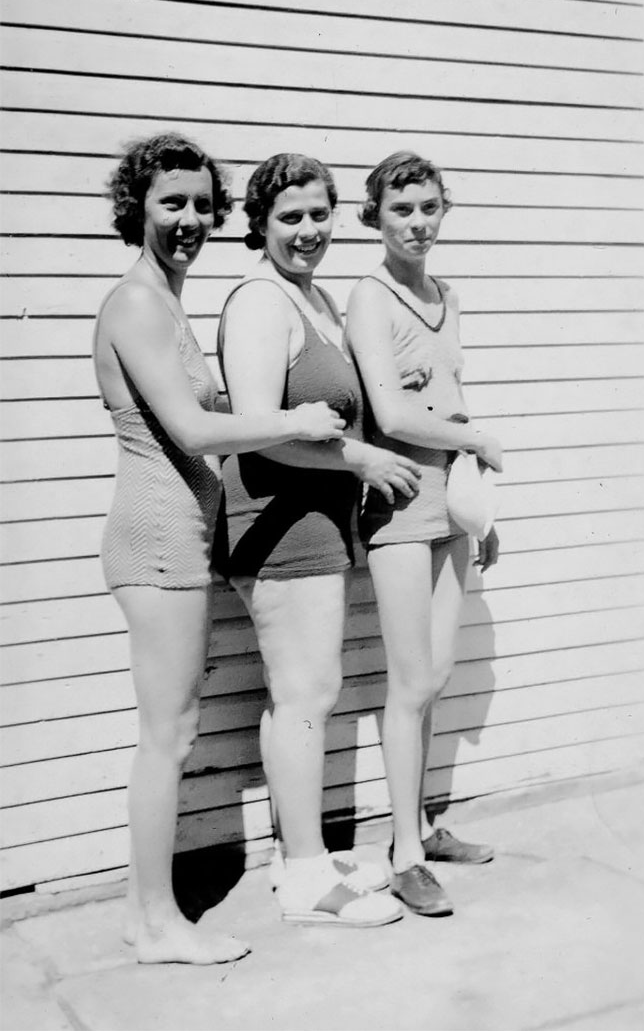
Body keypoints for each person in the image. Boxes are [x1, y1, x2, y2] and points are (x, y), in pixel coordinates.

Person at [93, 133, 345, 964]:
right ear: (138, 208)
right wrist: (294, 420)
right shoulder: (135, 302)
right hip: (157, 541)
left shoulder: (166, 300)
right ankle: (158, 922)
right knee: (169, 733)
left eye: (203, 202)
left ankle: (141, 915)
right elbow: (195, 427)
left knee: (173, 727)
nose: (191, 218)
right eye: (173, 202)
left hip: (181, 541)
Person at [217, 152, 421, 927]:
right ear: (259, 225)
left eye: (318, 215)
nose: (308, 231)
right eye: (289, 218)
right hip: (279, 527)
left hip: (317, 525)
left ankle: (299, 848)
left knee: (305, 693)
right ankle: (303, 874)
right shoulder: (261, 302)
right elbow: (260, 431)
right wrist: (361, 456)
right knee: (305, 694)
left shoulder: (313, 298)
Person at [346, 151, 503, 917]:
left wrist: (482, 509)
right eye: (401, 208)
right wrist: (474, 442)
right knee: (410, 680)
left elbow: (450, 396)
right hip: (402, 500)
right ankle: (405, 851)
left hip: (452, 502)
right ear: (374, 216)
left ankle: (426, 824)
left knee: (435, 673)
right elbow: (393, 413)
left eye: (429, 207)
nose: (417, 222)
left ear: (445, 211)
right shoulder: (369, 296)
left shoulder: (449, 295)